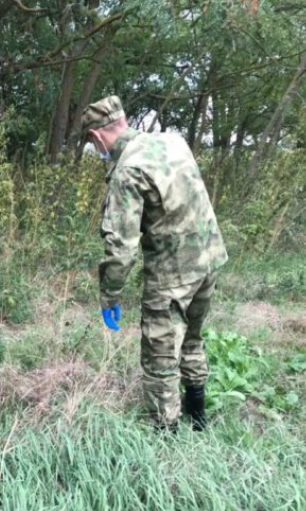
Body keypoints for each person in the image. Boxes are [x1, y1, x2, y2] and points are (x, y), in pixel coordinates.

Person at [83, 95, 228, 431]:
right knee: (192, 338)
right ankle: (198, 415)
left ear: (96, 136)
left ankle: (167, 435)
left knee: (160, 354)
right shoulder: (173, 142)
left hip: (173, 273)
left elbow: (121, 245)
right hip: (209, 260)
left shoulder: (128, 170)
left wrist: (110, 295)